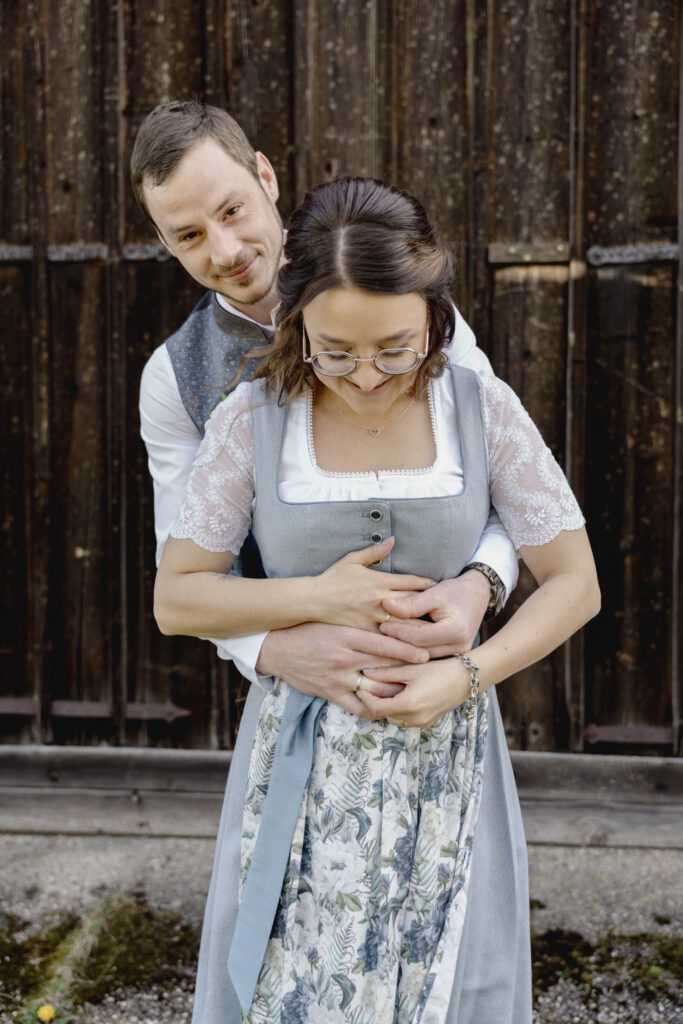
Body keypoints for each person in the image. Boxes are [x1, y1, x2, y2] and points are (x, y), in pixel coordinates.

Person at [154, 177, 601, 1023]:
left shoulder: (481, 410)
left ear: (434, 320)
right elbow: (177, 599)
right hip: (296, 755)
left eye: (393, 350)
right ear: (297, 326)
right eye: (335, 351)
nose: (364, 375)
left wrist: (466, 674)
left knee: (451, 984)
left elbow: (575, 583)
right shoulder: (251, 423)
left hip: (450, 755)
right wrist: (315, 598)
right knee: (292, 980)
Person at [132, 101, 520, 715]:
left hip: (443, 679)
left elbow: (510, 483)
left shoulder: (398, 298)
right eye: (190, 235)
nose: (226, 249)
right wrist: (271, 650)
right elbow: (185, 579)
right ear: (163, 241)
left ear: (265, 175)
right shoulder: (172, 379)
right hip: (299, 696)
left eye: (231, 210)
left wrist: (481, 584)